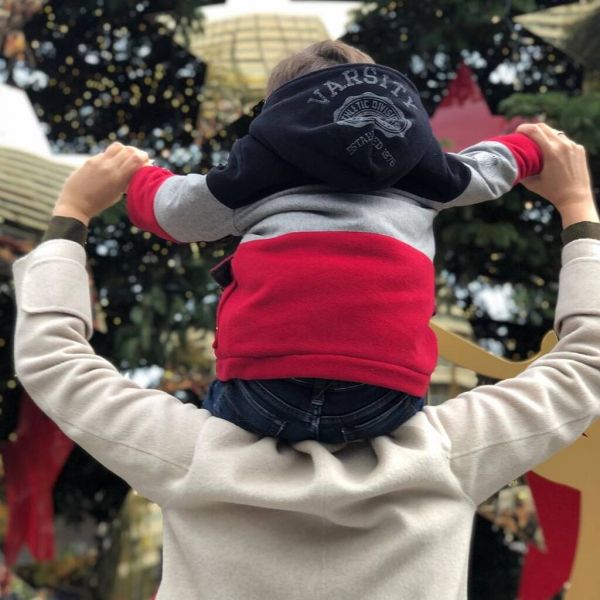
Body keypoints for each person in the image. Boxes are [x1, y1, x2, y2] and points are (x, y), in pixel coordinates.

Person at [12, 123, 600, 599]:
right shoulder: (448, 458)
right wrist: (577, 207)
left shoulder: (195, 459)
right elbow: (584, 364)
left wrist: (72, 214)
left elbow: (53, 360)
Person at [123, 40, 543, 443]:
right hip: (384, 396)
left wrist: (137, 174)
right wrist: (532, 145)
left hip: (263, 388)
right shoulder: (423, 169)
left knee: (215, 423)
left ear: (278, 108)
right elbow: (490, 168)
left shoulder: (253, 171)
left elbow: (175, 210)